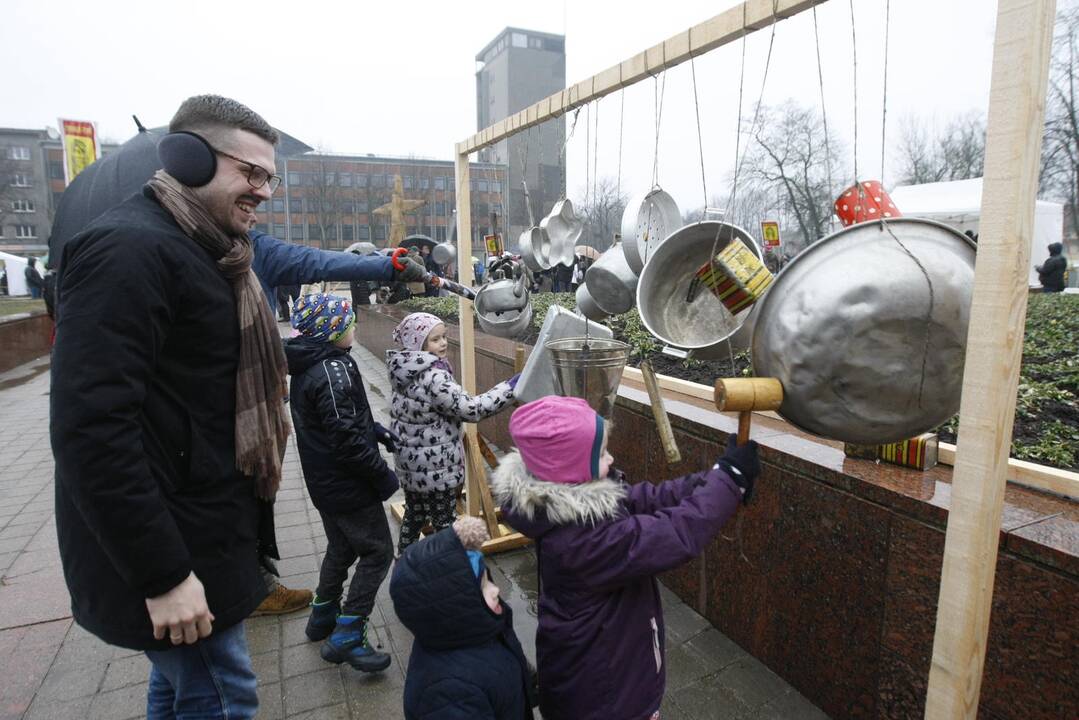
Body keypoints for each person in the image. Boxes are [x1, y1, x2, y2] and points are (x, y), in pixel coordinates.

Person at [49, 94, 425, 720]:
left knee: (179, 689)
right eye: (250, 173)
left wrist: (382, 263)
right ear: (189, 158)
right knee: (225, 698)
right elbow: (91, 430)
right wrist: (163, 575)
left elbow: (304, 262)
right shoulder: (128, 252)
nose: (264, 191)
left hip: (206, 530)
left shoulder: (223, 249)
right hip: (174, 545)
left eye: (270, 177)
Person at [491, 396, 761, 720]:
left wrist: (713, 481)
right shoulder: (582, 541)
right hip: (605, 696)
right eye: (602, 453)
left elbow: (646, 499)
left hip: (603, 672)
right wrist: (728, 480)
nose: (612, 458)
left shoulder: (580, 503)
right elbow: (674, 533)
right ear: (573, 469)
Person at [283, 293, 398, 672]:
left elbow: (343, 420)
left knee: (341, 547)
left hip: (324, 484)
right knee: (378, 551)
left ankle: (322, 615)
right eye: (348, 322)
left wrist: (378, 431)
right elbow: (347, 441)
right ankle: (348, 632)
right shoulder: (332, 371)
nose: (354, 326)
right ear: (331, 330)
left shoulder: (311, 364)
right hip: (348, 485)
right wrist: (383, 477)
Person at [386, 312, 517, 555]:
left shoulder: (403, 370)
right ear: (418, 343)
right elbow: (471, 409)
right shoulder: (433, 376)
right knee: (444, 522)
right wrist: (509, 389)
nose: (444, 343)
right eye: (435, 339)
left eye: (444, 337)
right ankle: (448, 570)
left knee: (415, 513)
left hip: (411, 466)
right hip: (436, 469)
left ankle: (404, 562)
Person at [391, 516, 536, 719]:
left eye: (489, 580)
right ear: (452, 609)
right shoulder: (446, 692)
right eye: (484, 586)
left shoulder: (479, 629)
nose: (495, 590)